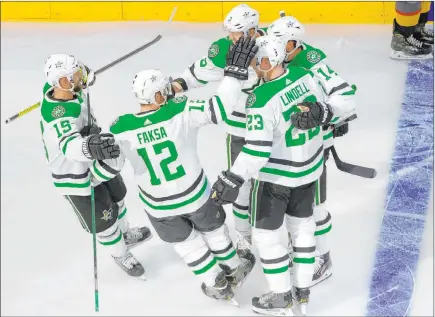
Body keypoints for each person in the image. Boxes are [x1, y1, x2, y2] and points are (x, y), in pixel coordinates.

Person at [92, 37, 258, 303]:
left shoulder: (120, 127)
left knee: (187, 245)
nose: (171, 92)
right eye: (166, 89)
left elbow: (108, 168)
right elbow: (219, 109)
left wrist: (92, 155)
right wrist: (233, 76)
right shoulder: (179, 110)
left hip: (159, 207)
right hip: (195, 196)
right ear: (158, 95)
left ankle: (214, 281)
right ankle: (234, 267)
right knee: (215, 232)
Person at [210, 35, 355, 316]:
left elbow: (257, 151)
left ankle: (281, 296)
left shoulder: (260, 99)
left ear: (267, 61)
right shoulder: (304, 75)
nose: (253, 66)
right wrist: (327, 115)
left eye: (255, 61)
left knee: (266, 236)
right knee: (302, 229)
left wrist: (232, 177)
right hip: (308, 173)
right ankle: (302, 289)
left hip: (275, 180)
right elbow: (332, 104)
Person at [40, 54, 151, 279]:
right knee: (103, 220)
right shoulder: (58, 118)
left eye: (78, 72)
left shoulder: (63, 89)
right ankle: (120, 253)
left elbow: (72, 83)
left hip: (95, 155)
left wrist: (82, 76)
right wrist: (90, 144)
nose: (80, 76)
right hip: (76, 174)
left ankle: (126, 233)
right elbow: (69, 146)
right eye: (75, 75)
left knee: (118, 196)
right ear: (62, 82)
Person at [170, 4, 266, 257]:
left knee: (274, 183)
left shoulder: (270, 46)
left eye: (238, 33)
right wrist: (177, 85)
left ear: (254, 30)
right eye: (231, 32)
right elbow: (199, 72)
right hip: (240, 127)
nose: (232, 38)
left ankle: (278, 232)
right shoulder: (222, 48)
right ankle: (244, 235)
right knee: (241, 185)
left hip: (271, 126)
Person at [267, 15, 357, 287]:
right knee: (294, 209)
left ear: (294, 43)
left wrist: (327, 113)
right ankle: (304, 249)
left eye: (282, 43)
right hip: (283, 151)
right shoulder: (275, 61)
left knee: (315, 207)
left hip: (311, 150)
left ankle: (323, 258)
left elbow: (346, 97)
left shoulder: (312, 64)